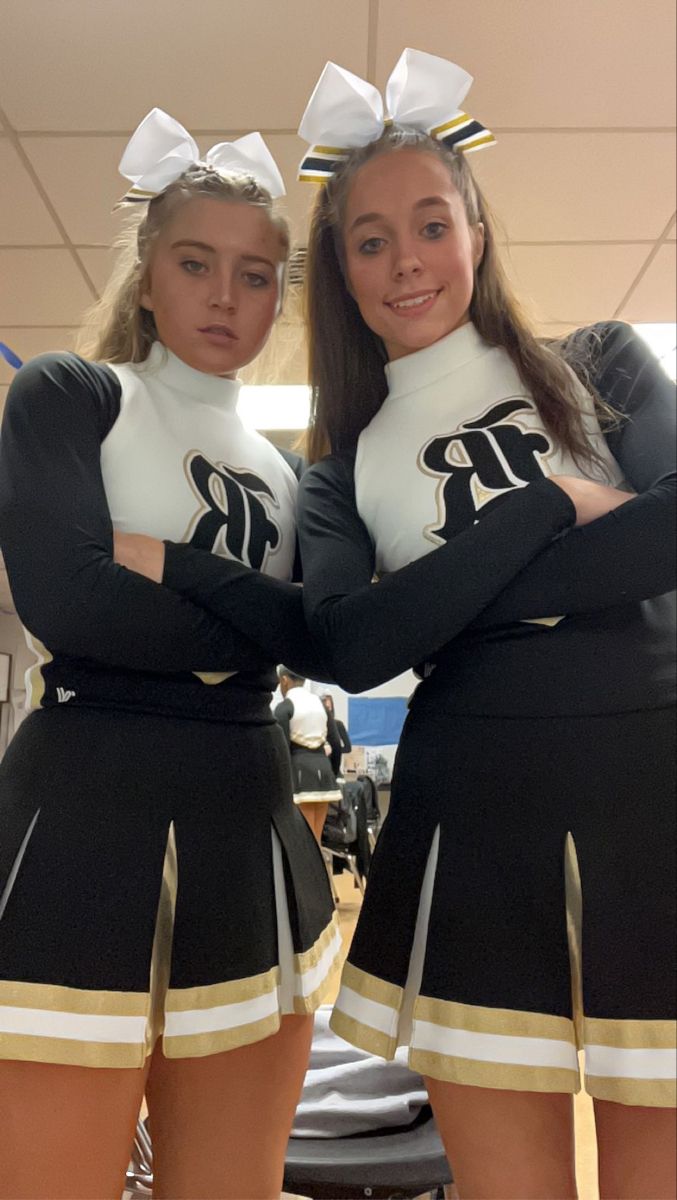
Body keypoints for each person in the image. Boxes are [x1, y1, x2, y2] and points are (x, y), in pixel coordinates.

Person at [292, 49, 676, 1200]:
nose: (405, 260)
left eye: (429, 223)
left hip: (646, 787)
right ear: (342, 273)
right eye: (369, 240)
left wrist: (442, 598)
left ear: (476, 230)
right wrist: (549, 507)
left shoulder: (601, 363)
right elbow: (354, 647)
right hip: (475, 815)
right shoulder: (341, 466)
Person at [0, 109, 340, 1200]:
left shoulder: (297, 476)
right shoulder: (69, 395)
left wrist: (171, 571)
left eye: (256, 275)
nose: (224, 297)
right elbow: (71, 605)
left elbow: (319, 643)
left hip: (248, 830)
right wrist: (261, 629)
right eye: (196, 264)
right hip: (77, 823)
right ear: (147, 276)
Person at [275, 667, 342, 842]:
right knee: (316, 839)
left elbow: (280, 750)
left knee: (302, 842)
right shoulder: (320, 705)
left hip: (298, 776)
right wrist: (332, 773)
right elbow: (336, 743)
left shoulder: (284, 707)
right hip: (324, 775)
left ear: (284, 680)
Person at [320, 692, 352, 777]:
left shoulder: (338, 724)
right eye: (324, 707)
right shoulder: (317, 725)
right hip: (320, 767)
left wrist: (334, 749)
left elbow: (348, 748)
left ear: (331, 708)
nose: (326, 710)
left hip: (334, 769)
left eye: (328, 707)